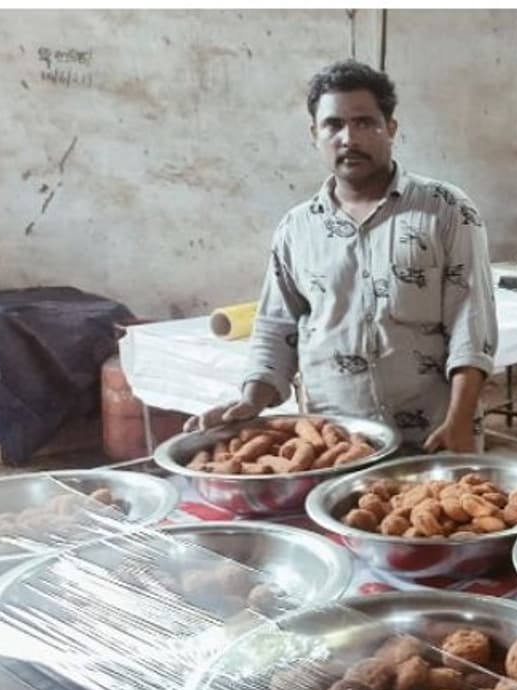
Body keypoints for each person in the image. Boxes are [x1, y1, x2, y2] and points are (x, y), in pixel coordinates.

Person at [188, 60, 497, 453]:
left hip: (434, 438)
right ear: (314, 134)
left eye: (365, 122)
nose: (349, 138)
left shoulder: (445, 209)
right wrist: (251, 400)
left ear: (391, 128)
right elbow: (276, 327)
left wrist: (459, 421)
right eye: (333, 125)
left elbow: (472, 321)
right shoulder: (296, 228)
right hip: (337, 443)